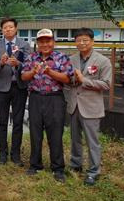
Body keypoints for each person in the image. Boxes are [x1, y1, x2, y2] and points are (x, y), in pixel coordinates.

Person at [21, 29, 73, 183]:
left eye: (48, 41)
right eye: (41, 41)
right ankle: (35, 165)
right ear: (37, 43)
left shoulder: (61, 57)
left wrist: (50, 72)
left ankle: (58, 168)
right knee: (35, 132)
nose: (45, 44)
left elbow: (67, 79)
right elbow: (24, 76)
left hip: (55, 99)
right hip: (36, 98)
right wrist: (33, 71)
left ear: (53, 42)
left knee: (55, 134)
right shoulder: (31, 57)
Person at [64, 28, 111, 186]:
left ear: (92, 41)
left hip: (91, 107)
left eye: (85, 40)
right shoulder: (71, 59)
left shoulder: (102, 61)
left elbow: (106, 84)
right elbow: (68, 80)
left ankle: (93, 171)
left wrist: (84, 80)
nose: (82, 43)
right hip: (74, 105)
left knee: (93, 141)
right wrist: (73, 80)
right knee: (75, 139)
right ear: (75, 42)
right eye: (79, 40)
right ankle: (76, 165)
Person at [0, 18, 31, 166]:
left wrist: (18, 64)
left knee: (18, 122)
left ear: (16, 29)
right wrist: (1, 63)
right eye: (5, 27)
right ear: (2, 30)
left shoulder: (24, 45)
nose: (8, 29)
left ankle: (16, 154)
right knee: (2, 122)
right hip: (2, 87)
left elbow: (29, 65)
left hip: (19, 86)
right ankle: (2, 153)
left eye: (10, 27)